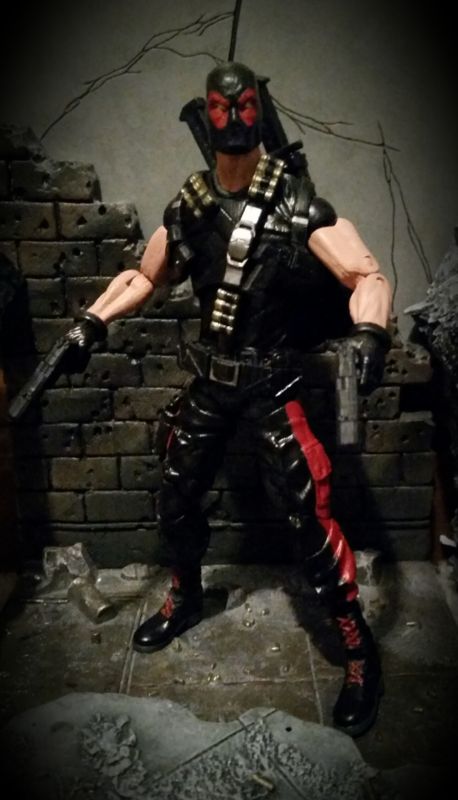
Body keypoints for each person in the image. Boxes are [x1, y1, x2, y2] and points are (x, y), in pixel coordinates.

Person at [65, 62, 392, 737]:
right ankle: (185, 595)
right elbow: (144, 275)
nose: (235, 116)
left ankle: (357, 646)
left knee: (308, 515)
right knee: (177, 493)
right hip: (212, 383)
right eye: (222, 106)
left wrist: (370, 334)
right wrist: (92, 321)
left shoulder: (297, 205)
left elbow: (367, 273)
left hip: (273, 384)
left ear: (256, 113)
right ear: (208, 113)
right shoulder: (189, 206)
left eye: (244, 106)